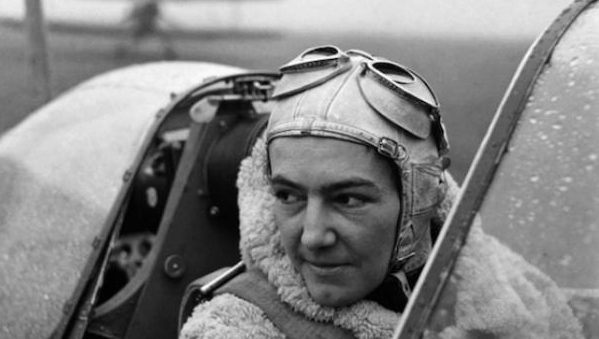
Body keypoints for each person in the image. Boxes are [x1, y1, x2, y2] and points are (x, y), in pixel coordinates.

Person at [179, 46, 583, 338]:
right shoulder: (233, 327)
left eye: (347, 199)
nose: (313, 236)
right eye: (289, 195)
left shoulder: (517, 294)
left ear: (419, 199)